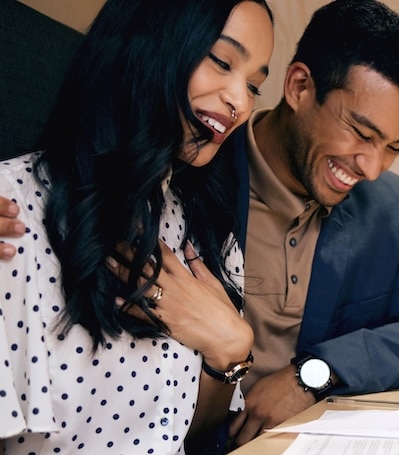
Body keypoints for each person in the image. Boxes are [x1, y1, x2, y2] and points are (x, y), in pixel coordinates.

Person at [0, 0, 399, 449]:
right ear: (299, 88)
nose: (374, 167)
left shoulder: (379, 204)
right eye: (361, 133)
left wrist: (304, 372)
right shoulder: (204, 178)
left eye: (394, 146)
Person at [0, 0, 274, 453]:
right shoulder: (14, 212)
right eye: (222, 62)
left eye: (253, 86)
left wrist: (230, 348)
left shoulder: (210, 235)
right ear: (148, 45)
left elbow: (189, 436)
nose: (241, 102)